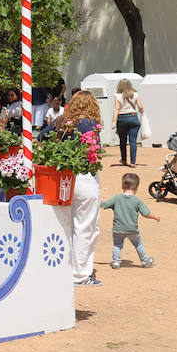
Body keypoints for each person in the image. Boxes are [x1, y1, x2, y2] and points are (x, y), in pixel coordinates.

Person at [52, 91, 106, 287]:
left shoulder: (61, 121)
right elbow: (95, 151)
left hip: (61, 178)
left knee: (65, 225)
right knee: (86, 227)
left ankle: (63, 268)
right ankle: (80, 274)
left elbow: (41, 138)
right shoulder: (90, 124)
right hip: (84, 177)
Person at [101, 172, 159, 270]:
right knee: (138, 244)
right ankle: (145, 260)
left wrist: (94, 201)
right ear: (136, 188)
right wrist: (155, 217)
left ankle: (116, 262)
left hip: (118, 229)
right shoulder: (137, 201)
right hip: (132, 229)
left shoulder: (117, 198)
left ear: (122, 186)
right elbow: (146, 214)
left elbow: (104, 205)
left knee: (117, 245)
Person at [114, 78, 145, 167]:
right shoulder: (135, 94)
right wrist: (141, 112)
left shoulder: (117, 96)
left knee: (122, 141)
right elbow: (140, 107)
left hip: (122, 119)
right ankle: (133, 162)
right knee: (133, 141)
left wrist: (114, 121)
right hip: (133, 118)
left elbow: (117, 108)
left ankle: (124, 160)